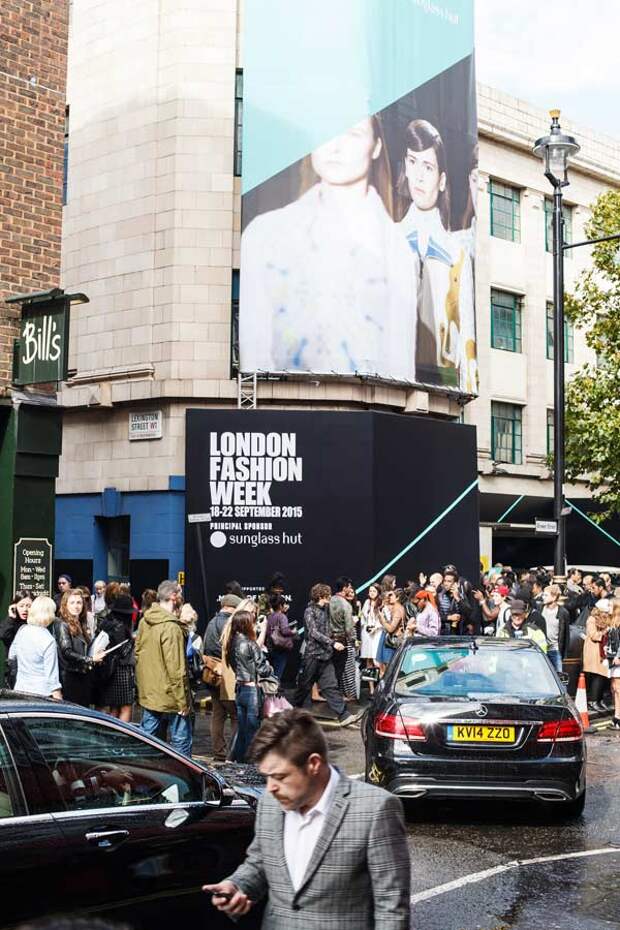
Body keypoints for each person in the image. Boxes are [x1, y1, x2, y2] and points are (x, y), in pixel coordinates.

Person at [240, 115, 417, 383]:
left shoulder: (397, 250)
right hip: (279, 407)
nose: (335, 146)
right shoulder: (264, 234)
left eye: (353, 134)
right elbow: (254, 353)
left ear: (376, 146)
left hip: (373, 405)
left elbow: (400, 363)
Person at [205, 708, 411, 929]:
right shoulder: (269, 804)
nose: (271, 787)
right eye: (267, 777)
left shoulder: (375, 809)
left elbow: (391, 907)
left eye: (280, 776)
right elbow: (260, 862)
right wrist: (237, 886)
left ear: (313, 764)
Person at [398, 118, 476, 392]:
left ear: (442, 180)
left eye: (428, 167)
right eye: (412, 162)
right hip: (389, 378)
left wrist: (466, 386)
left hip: (441, 385)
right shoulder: (387, 238)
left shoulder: (457, 253)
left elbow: (467, 333)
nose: (418, 176)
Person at [135, 580, 192, 756]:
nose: (182, 596)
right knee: (180, 742)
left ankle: (143, 778)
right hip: (171, 695)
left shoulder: (145, 621)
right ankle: (184, 780)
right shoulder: (171, 627)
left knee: (147, 739)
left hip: (150, 693)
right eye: (180, 593)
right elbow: (176, 668)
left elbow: (138, 654)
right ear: (173, 597)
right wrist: (183, 701)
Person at [294, 583, 359, 728]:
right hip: (313, 655)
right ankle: (294, 713)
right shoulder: (309, 611)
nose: (330, 597)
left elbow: (330, 626)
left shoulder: (327, 609)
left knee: (331, 686)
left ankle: (344, 715)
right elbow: (313, 632)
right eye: (327, 595)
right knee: (304, 686)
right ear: (320, 596)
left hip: (326, 655)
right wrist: (332, 643)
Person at [227, 610, 274, 763]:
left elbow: (234, 666)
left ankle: (240, 764)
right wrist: (270, 668)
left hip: (239, 689)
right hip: (252, 691)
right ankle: (251, 765)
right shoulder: (250, 644)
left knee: (242, 730)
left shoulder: (232, 642)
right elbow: (262, 668)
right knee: (253, 731)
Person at [203, 593, 242, 761]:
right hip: (227, 674)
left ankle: (219, 752)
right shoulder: (230, 624)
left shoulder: (211, 622)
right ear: (233, 608)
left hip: (211, 674)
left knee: (218, 715)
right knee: (235, 716)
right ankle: (235, 752)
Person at [55, 588, 105, 705]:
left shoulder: (80, 623)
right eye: (72, 603)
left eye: (79, 602)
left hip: (82, 675)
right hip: (70, 678)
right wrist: (90, 659)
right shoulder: (62, 624)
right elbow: (66, 652)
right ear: (65, 605)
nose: (76, 606)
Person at [8, 595, 62, 698]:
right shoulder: (48, 640)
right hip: (41, 695)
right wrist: (59, 699)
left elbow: (11, 656)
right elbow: (52, 678)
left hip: (20, 690)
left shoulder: (22, 630)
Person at [95, 593, 135, 722]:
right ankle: (122, 736)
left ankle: (111, 734)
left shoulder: (107, 623)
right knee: (125, 707)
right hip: (121, 671)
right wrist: (133, 641)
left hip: (107, 670)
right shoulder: (121, 627)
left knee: (113, 708)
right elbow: (123, 651)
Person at [583, 601, 612, 712]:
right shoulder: (592, 619)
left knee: (602, 676)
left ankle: (599, 700)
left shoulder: (606, 619)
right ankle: (593, 701)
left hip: (602, 651)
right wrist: (606, 631)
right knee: (597, 676)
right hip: (593, 651)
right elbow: (594, 635)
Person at [328, 576, 355, 693]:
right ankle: (335, 695)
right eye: (349, 587)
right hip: (340, 641)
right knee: (339, 670)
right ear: (344, 588)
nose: (351, 589)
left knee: (329, 669)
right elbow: (349, 628)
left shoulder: (329, 600)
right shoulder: (346, 605)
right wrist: (354, 641)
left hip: (328, 640)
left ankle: (328, 693)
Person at [541, 584, 570, 673]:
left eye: (546, 595)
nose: (543, 597)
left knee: (559, 676)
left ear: (554, 597)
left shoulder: (563, 612)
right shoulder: (540, 609)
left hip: (555, 650)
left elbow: (566, 635)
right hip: (541, 649)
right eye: (543, 595)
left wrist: (563, 654)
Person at [375, 589, 406, 675]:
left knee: (389, 669)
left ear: (397, 598)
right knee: (384, 668)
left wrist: (382, 619)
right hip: (388, 639)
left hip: (392, 641)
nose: (389, 597)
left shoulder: (398, 609)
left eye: (391, 595)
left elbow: (391, 629)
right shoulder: (393, 607)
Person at [265, 594, 295, 682]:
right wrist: (293, 632)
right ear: (281, 605)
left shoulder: (270, 616)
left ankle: (270, 692)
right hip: (281, 648)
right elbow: (285, 631)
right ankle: (274, 693)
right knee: (278, 673)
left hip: (271, 647)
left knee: (272, 672)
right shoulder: (282, 616)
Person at [360, 584, 382, 680]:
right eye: (370, 591)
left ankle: (380, 685)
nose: (372, 593)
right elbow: (363, 618)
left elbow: (384, 620)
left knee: (377, 660)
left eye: (374, 591)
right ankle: (371, 689)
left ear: (378, 592)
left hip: (377, 634)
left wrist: (376, 627)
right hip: (368, 634)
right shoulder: (367, 602)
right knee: (368, 660)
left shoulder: (381, 603)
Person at [0, 590, 34, 655]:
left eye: (28, 606)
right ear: (15, 607)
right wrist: (11, 618)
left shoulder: (36, 623)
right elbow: (3, 635)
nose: (25, 609)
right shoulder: (10, 622)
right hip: (15, 662)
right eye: (21, 606)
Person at [606, 601, 620, 729]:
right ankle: (616, 716)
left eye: (610, 606)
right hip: (612, 658)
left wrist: (618, 656)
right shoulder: (612, 623)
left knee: (618, 689)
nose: (607, 608)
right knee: (614, 688)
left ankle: (618, 717)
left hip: (617, 659)